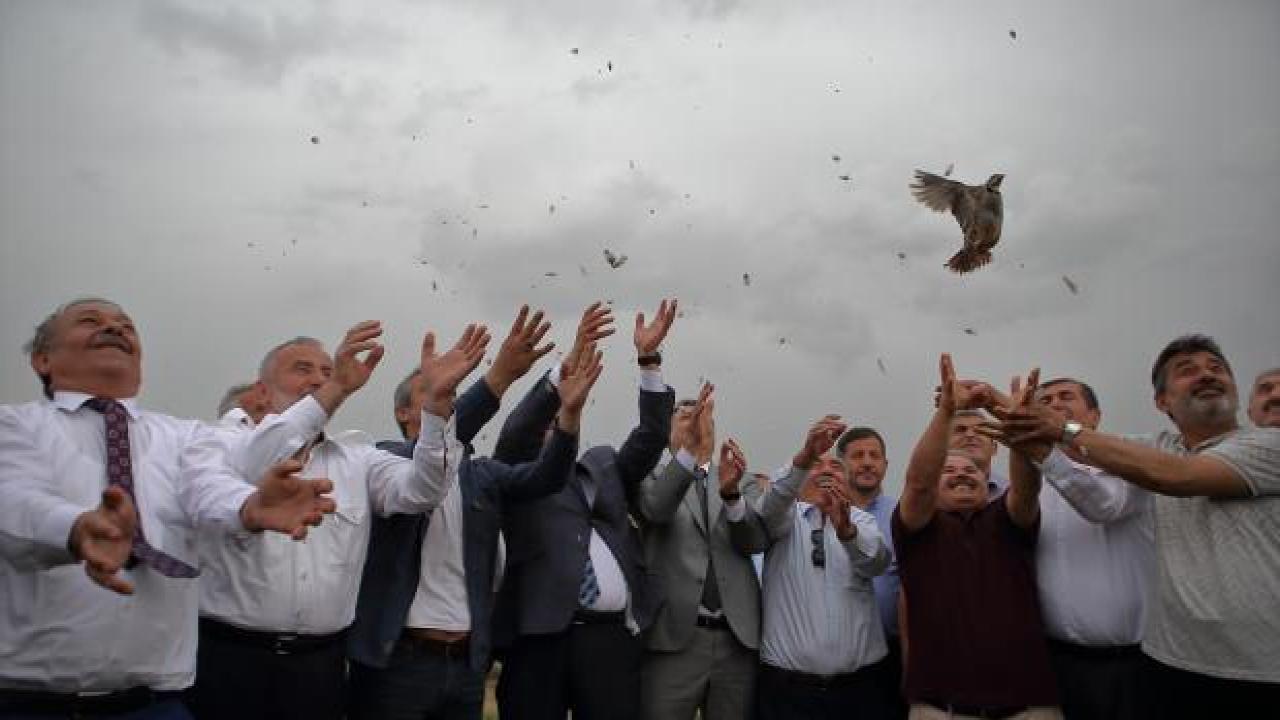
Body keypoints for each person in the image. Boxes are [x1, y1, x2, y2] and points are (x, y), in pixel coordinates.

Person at [0, 297, 334, 719]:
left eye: (126, 326)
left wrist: (247, 507)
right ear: (42, 359)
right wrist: (77, 529)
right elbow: (12, 498)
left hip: (156, 703)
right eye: (91, 321)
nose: (114, 328)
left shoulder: (183, 435)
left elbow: (209, 485)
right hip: (30, 702)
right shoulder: (13, 424)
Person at [189, 321, 492, 720]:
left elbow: (423, 491)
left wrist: (437, 407)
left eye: (327, 372)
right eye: (302, 369)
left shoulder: (358, 460)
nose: (318, 379)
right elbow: (255, 464)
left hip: (320, 668)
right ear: (261, 392)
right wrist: (336, 389)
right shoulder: (218, 443)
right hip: (231, 660)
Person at [987, 335, 1280, 717]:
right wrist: (1009, 413)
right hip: (1171, 665)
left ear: (1094, 417)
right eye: (1187, 371)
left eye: (1215, 368)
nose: (1206, 376)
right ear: (1162, 402)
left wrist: (1056, 431)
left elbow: (1176, 477)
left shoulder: (1267, 444)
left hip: (1259, 672)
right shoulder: (1154, 446)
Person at [346, 307, 601, 720]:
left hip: (464, 666)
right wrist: (498, 376)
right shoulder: (383, 462)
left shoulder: (481, 475)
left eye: (449, 394)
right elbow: (434, 452)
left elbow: (546, 478)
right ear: (404, 414)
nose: (444, 401)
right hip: (396, 664)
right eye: (431, 395)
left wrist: (568, 417)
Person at [493, 299, 678, 720]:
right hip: (540, 638)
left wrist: (649, 360)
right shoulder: (512, 469)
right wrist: (569, 364)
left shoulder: (603, 464)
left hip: (610, 641)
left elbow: (652, 436)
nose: (549, 429)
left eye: (557, 421)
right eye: (546, 423)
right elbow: (521, 427)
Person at [895, 355, 1060, 719]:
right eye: (949, 470)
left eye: (970, 470)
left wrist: (1014, 424)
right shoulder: (915, 530)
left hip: (1027, 708)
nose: (961, 474)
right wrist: (945, 413)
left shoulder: (1007, 519)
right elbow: (919, 484)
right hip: (942, 710)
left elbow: (1026, 486)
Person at [636, 386, 769, 720]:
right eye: (685, 417)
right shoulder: (648, 473)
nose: (695, 422)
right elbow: (656, 509)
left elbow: (754, 541)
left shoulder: (741, 480)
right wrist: (690, 456)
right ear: (667, 430)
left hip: (735, 640)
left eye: (703, 417)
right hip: (674, 638)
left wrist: (731, 495)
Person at [754, 416, 894, 720]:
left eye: (835, 467)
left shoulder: (862, 522)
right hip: (788, 693)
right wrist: (805, 456)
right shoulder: (783, 520)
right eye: (818, 466)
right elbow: (770, 506)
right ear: (801, 477)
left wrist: (846, 530)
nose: (827, 471)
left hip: (861, 691)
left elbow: (876, 561)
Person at [1030, 378, 1152, 719]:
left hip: (1129, 667)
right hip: (1057, 666)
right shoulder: (1030, 485)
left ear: (1095, 416)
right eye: (1045, 400)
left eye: (1065, 396)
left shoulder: (1130, 466)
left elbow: (1103, 506)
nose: (1054, 403)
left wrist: (1042, 451)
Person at [837, 426, 906, 718]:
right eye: (857, 456)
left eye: (875, 456)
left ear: (886, 466)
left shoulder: (901, 516)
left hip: (890, 656)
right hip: (836, 655)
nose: (867, 462)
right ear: (840, 464)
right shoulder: (819, 515)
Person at [949, 410, 1006, 497]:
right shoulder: (928, 493)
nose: (970, 435)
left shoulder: (1013, 492)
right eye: (960, 430)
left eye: (980, 431)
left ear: (994, 448)